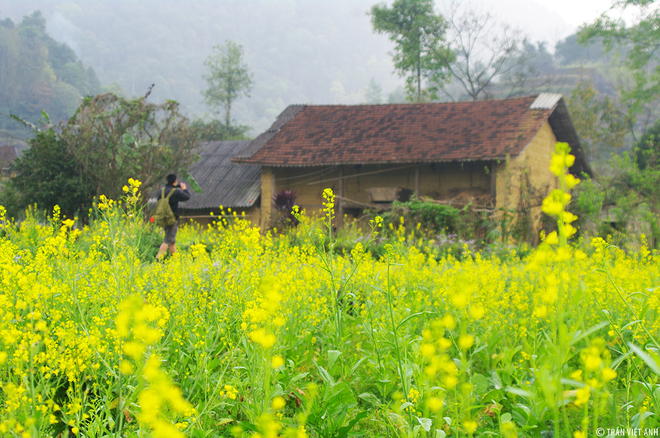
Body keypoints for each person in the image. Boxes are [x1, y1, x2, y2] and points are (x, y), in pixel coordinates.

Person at [156, 173, 191, 260]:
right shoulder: (175, 192)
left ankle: (175, 260)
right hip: (172, 219)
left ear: (167, 181)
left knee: (172, 241)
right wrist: (184, 189)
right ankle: (158, 259)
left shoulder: (162, 191)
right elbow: (187, 197)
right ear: (175, 181)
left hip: (163, 218)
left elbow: (158, 201)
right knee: (167, 240)